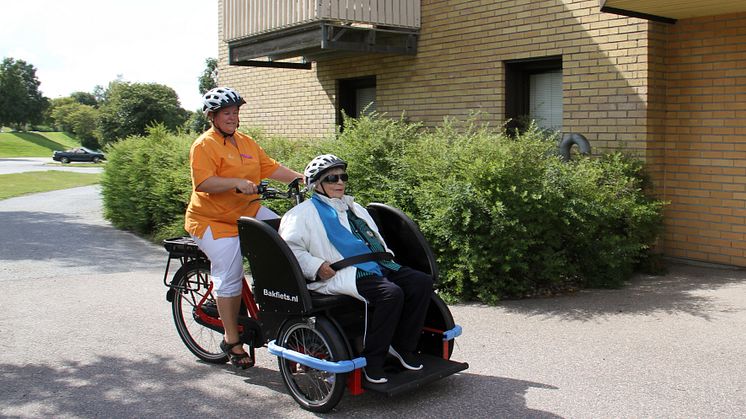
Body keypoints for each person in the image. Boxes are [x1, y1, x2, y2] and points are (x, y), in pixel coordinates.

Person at [279, 154, 433, 384]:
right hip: (340, 272)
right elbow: (290, 250)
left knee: (421, 282)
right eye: (332, 178)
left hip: (377, 263)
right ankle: (373, 359)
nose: (340, 182)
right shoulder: (300, 214)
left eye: (343, 177)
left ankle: (402, 346)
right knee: (390, 294)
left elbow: (376, 239)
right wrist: (316, 266)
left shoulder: (355, 208)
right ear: (316, 184)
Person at [185, 86, 302, 369]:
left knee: (287, 239)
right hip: (213, 221)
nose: (233, 117)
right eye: (227, 113)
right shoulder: (204, 145)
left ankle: (278, 309)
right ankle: (231, 340)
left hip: (247, 211)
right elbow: (203, 183)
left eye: (236, 112)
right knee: (230, 275)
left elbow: (271, 168)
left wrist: (306, 179)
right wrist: (235, 183)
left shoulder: (246, 143)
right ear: (212, 116)